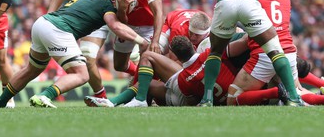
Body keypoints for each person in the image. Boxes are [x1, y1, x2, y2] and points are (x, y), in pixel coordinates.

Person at [0, 0, 150, 108]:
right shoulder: (105, 1)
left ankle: (0, 103)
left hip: (42, 23)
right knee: (82, 74)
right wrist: (141, 41)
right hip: (58, 30)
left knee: (31, 70)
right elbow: (115, 26)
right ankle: (44, 96)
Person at [84, 35, 249, 107]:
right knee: (147, 83)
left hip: (183, 91)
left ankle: (129, 101)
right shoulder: (209, 56)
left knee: (147, 59)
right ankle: (113, 103)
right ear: (193, 47)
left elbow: (191, 97)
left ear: (175, 56)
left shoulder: (185, 77)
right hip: (221, 97)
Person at [228, 0, 324, 106]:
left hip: (264, 53)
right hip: (288, 50)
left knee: (233, 97)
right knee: (296, 92)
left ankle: (277, 92)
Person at [109, 0, 163, 76]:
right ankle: (137, 76)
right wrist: (122, 9)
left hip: (149, 27)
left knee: (148, 64)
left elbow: (158, 13)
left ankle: (140, 84)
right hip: (128, 27)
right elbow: (122, 21)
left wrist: (155, 41)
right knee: (119, 66)